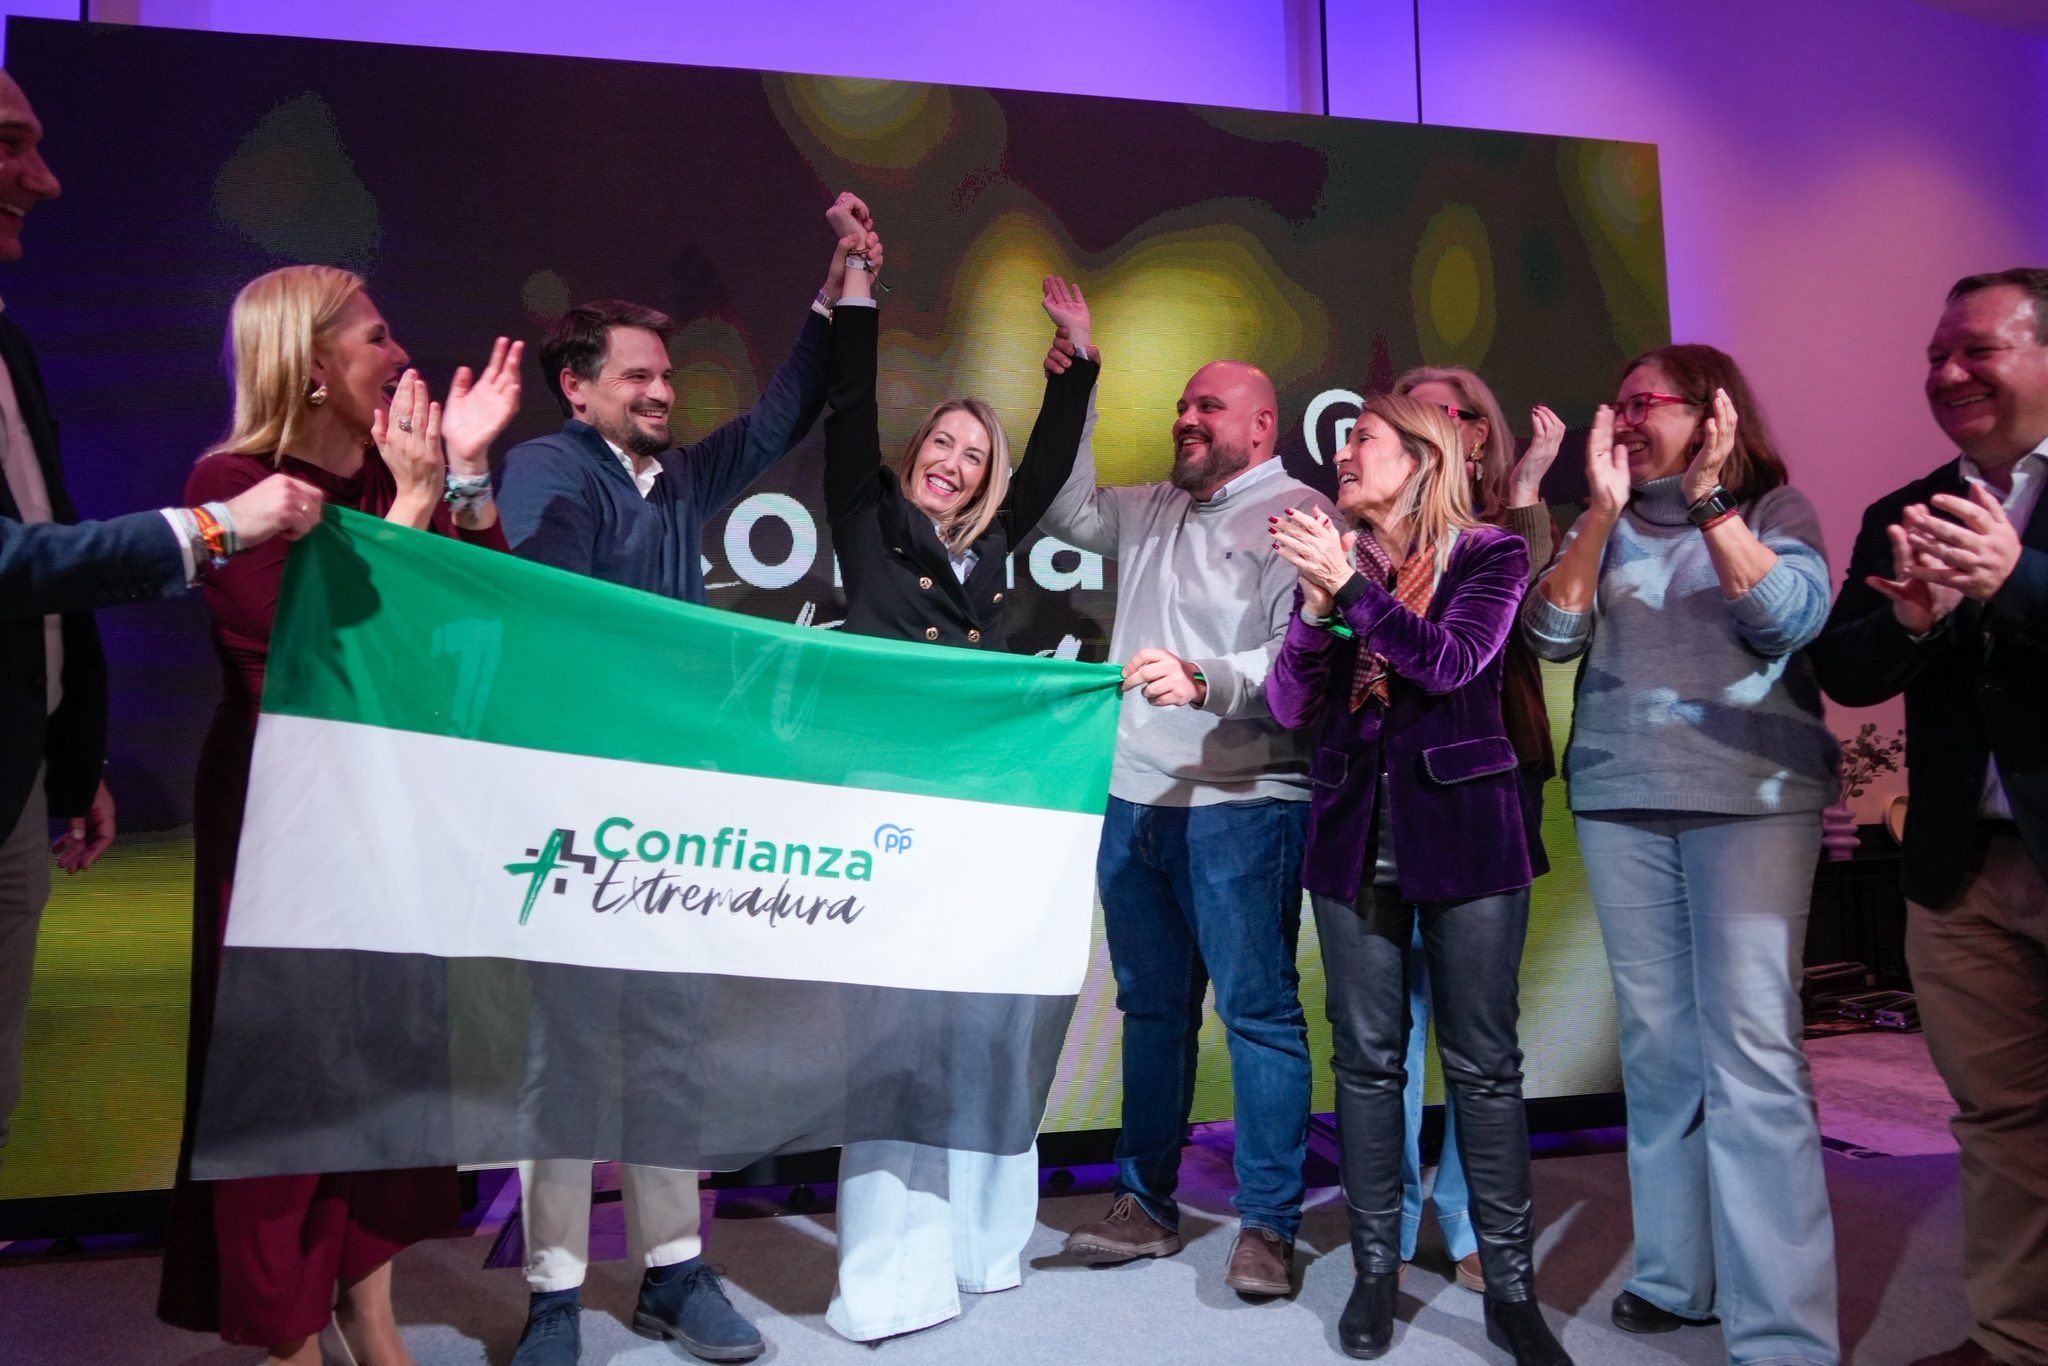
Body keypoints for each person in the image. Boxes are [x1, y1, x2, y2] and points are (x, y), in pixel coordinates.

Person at [492, 193, 865, 1366]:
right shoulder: (550, 468)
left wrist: (838, 277)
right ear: (580, 387)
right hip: (572, 817)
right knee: (562, 1056)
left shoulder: (681, 481)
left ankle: (670, 1270)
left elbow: (785, 411)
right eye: (640, 378)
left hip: (669, 815)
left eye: (665, 378)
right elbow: (549, 588)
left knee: (664, 1045)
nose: (662, 392)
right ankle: (552, 1291)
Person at [156, 264, 522, 1366]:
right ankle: (285, 1337)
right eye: (375, 336)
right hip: (285, 828)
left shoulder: (382, 471)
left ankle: (368, 1310)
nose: (399, 352)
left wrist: (461, 475)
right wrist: (411, 504)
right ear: (312, 364)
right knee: (289, 1083)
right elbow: (312, 666)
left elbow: (481, 614)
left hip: (390, 825)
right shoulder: (232, 481)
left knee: (378, 1073)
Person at [0, 68, 322, 1178]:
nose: (44, 178)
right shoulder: (236, 482)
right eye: (11, 145)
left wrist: (65, 750)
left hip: (20, 785)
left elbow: (45, 547)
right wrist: (212, 529)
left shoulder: (12, 342)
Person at [1522, 345, 1840, 1364]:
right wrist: (1600, 516)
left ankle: (1782, 1325)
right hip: (1620, 798)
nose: (1617, 419)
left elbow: (1782, 619)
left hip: (1748, 802)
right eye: (1612, 404)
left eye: (1640, 403)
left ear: (1711, 413)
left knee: (1751, 1054)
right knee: (1657, 1049)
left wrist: (1708, 506)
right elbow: (1550, 636)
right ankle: (1674, 1273)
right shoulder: (1601, 522)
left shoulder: (1776, 510)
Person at [820, 230, 1098, 1339]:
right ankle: (886, 1277)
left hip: (971, 814)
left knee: (973, 1022)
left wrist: (1072, 367)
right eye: (941, 443)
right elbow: (844, 415)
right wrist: (856, 294)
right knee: (893, 1035)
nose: (954, 462)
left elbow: (1042, 469)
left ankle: (983, 1248)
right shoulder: (870, 519)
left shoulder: (985, 552)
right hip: (882, 804)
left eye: (971, 456)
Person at [1265, 393, 1565, 1363]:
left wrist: (1349, 597)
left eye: (1360, 440)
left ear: (1421, 459)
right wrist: (1318, 610)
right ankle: (1371, 1275)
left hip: (1469, 836)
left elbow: (1452, 660)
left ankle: (1508, 1291)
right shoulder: (1336, 559)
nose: (1341, 454)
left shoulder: (1490, 554)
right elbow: (1285, 701)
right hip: (1352, 837)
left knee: (1482, 1064)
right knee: (1364, 1063)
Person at [1041, 355, 1330, 1299]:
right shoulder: (1154, 504)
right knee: (1152, 1012)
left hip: (1242, 803)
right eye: (1181, 404)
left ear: (1263, 423)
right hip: (1135, 799)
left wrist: (1206, 679)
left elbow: (1298, 657)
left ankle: (1269, 1226)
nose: (1186, 418)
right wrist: (1078, 382)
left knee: (1257, 1015)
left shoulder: (1300, 516)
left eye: (1210, 406)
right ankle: (1145, 1204)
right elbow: (1063, 511)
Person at [1810, 268, 2048, 1366]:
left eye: (1977, 350)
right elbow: (1846, 669)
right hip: (1959, 868)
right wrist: (1907, 614)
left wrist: (2014, 581)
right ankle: (2013, 1342)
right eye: (1933, 355)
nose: (1946, 373)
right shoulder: (1901, 507)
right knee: (1999, 1126)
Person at [1387, 367, 1563, 1292]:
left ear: (1477, 435)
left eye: (1442, 412)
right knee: (1393, 1016)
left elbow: (1538, 632)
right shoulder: (1374, 525)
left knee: (1477, 1022)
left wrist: (1529, 492)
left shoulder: (1504, 536)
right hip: (1389, 782)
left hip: (1493, 776)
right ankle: (1396, 1216)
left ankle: (1466, 1219)